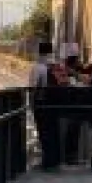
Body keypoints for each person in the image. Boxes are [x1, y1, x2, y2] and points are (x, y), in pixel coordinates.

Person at [29, 41, 61, 170]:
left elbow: (32, 88)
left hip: (42, 104)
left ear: (39, 52)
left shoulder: (38, 67)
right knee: (53, 132)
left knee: (43, 132)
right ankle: (54, 160)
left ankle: (47, 161)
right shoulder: (55, 66)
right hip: (54, 104)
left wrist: (31, 104)